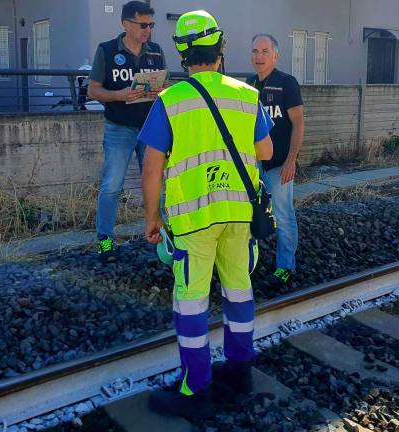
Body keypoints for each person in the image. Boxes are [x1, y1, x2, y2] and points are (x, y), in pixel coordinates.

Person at [138, 10, 274, 420]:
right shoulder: (246, 94)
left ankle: (195, 389)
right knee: (239, 291)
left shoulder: (171, 100)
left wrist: (151, 219)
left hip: (194, 221)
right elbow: (266, 153)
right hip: (238, 216)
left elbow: (151, 166)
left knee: (192, 302)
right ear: (221, 48)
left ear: (182, 53)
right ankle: (240, 372)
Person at [88, 0, 165, 262]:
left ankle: (158, 234)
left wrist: (160, 92)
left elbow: (163, 88)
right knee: (111, 186)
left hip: (151, 129)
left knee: (155, 183)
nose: (148, 30)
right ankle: (105, 239)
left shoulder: (155, 52)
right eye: (143, 25)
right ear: (126, 24)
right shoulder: (107, 51)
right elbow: (93, 90)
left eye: (151, 25)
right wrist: (118, 95)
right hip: (119, 128)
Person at [246, 34, 304, 286]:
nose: (259, 56)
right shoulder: (249, 86)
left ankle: (285, 266)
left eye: (265, 51)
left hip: (279, 163)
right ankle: (248, 262)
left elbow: (299, 123)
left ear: (275, 55)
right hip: (254, 164)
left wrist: (292, 160)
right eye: (255, 51)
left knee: (283, 215)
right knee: (250, 213)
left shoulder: (286, 83)